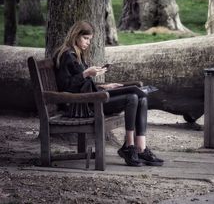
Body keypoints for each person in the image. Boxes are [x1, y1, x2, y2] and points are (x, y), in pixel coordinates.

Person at [53, 20, 163, 167]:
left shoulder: (77, 54)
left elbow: (83, 86)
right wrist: (86, 74)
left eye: (89, 40)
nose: (88, 43)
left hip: (90, 99)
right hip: (81, 107)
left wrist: (105, 86)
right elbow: (65, 86)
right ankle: (128, 147)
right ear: (75, 35)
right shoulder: (68, 55)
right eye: (85, 38)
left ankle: (140, 148)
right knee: (132, 97)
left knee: (141, 97)